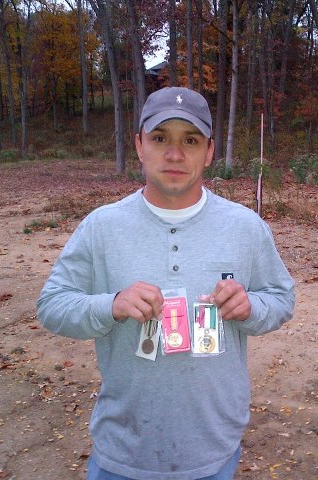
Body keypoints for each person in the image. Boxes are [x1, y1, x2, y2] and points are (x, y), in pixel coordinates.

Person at [37, 86, 295, 480]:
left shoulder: (245, 227)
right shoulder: (102, 227)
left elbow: (281, 298)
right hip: (124, 451)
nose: (175, 154)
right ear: (139, 145)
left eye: (190, 140)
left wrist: (252, 308)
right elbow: (52, 306)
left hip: (213, 449)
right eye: (160, 139)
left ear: (209, 151)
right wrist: (111, 305)